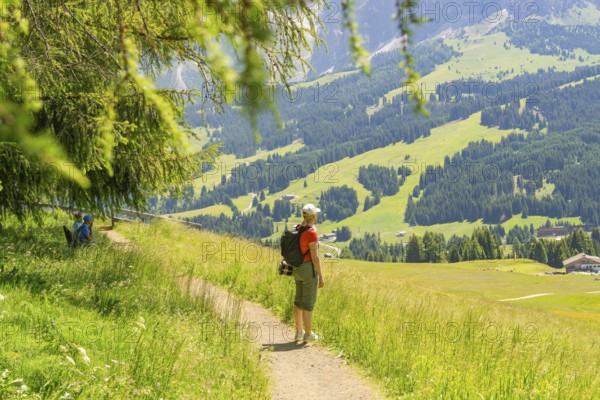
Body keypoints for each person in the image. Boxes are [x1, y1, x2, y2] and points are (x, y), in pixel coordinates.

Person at [293, 203, 324, 343]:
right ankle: (308, 334)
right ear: (314, 216)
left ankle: (299, 332)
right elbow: (315, 258)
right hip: (307, 269)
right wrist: (321, 276)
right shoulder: (311, 232)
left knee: (298, 301)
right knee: (308, 304)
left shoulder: (299, 228)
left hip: (297, 269)